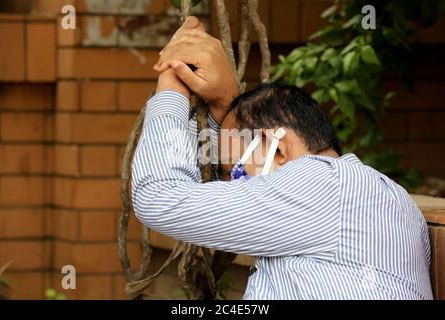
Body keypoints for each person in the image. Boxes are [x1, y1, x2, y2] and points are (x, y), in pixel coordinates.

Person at [132, 17, 433, 299]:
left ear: (277, 146)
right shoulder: (379, 199)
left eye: (232, 171)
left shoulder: (321, 184)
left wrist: (171, 86)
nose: (229, 184)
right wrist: (225, 102)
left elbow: (159, 196)